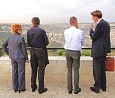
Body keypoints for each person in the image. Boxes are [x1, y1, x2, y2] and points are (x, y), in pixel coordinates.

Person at [89, 10, 111, 93]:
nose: (92, 18)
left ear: (96, 16)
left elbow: (94, 37)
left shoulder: (100, 24)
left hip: (98, 50)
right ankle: (103, 86)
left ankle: (97, 87)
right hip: (103, 50)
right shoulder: (106, 23)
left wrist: (91, 30)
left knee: (97, 70)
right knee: (102, 69)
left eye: (92, 17)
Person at [3, 24, 28, 93]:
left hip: (12, 57)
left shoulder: (9, 37)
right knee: (21, 73)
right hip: (20, 58)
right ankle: (21, 88)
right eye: (21, 29)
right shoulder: (21, 38)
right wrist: (27, 58)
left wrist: (8, 53)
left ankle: (15, 88)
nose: (21, 31)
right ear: (17, 30)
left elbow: (4, 45)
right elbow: (24, 50)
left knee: (14, 72)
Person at [27, 17, 49, 94]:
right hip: (40, 51)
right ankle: (41, 89)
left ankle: (33, 87)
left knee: (33, 69)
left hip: (32, 51)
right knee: (41, 70)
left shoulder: (29, 31)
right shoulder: (42, 31)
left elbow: (29, 42)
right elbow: (46, 42)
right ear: (39, 22)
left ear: (32, 22)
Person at [64, 16, 84, 94]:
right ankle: (76, 88)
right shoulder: (80, 32)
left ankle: (69, 88)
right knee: (76, 70)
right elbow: (82, 43)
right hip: (76, 51)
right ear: (76, 22)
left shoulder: (66, 31)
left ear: (70, 23)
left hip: (67, 50)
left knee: (69, 70)